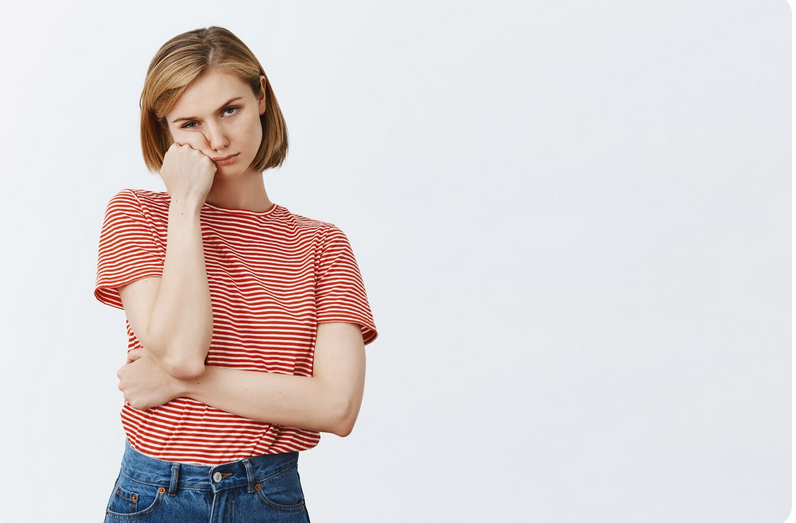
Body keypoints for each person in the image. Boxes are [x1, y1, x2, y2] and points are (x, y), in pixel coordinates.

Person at [94, 26, 378, 523]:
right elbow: (182, 352)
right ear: (166, 133)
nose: (217, 140)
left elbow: (337, 407)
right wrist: (186, 204)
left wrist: (182, 385)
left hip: (268, 496)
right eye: (189, 124)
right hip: (156, 496)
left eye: (230, 110)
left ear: (261, 97)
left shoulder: (321, 245)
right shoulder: (139, 215)